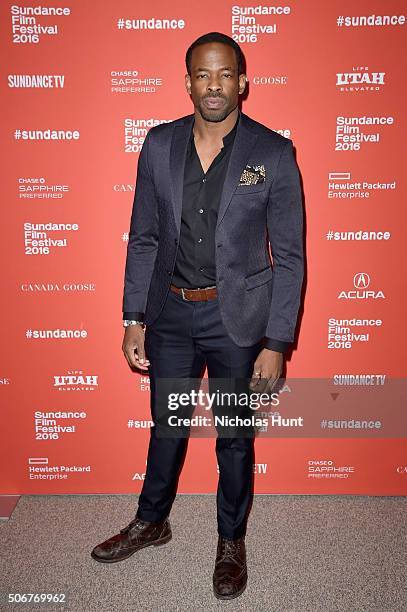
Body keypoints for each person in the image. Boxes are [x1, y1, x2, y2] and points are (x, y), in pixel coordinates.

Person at [91, 31, 304, 601]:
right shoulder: (158, 146)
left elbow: (288, 256)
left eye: (225, 74)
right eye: (203, 75)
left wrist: (276, 341)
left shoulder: (273, 153)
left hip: (238, 323)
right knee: (167, 425)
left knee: (234, 438)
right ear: (188, 83)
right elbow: (143, 238)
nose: (214, 85)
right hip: (171, 318)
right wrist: (134, 316)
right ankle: (151, 520)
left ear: (242, 83)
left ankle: (230, 541)